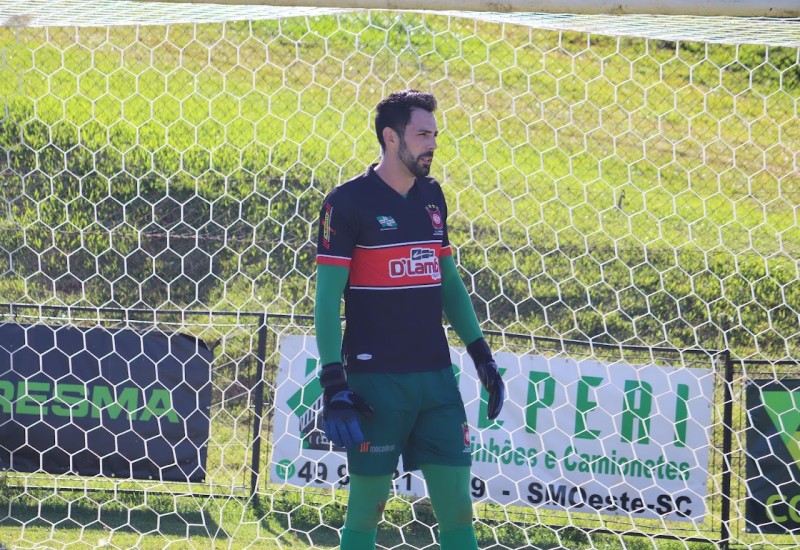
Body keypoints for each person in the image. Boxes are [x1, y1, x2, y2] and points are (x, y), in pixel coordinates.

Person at [314, 89, 505, 550]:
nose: (432, 144)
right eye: (422, 134)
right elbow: (326, 301)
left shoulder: (433, 197)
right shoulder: (346, 203)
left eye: (435, 134)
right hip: (376, 384)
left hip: (436, 382)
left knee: (459, 510)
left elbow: (448, 282)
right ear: (390, 136)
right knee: (367, 510)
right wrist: (334, 382)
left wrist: (481, 356)